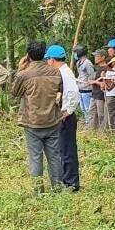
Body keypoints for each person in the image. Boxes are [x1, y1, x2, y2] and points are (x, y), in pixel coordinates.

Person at [10, 41, 64, 192]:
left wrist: (20, 69)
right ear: (44, 54)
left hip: (32, 122)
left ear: (28, 55)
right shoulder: (55, 72)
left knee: (35, 157)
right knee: (54, 156)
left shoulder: (23, 75)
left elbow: (14, 93)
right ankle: (58, 188)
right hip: (52, 120)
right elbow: (61, 91)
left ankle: (38, 191)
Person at [47, 45, 81, 191]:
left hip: (66, 117)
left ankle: (72, 182)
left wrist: (66, 112)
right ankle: (67, 179)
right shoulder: (62, 71)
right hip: (64, 115)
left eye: (48, 59)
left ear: (52, 60)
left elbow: (73, 94)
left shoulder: (64, 73)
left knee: (67, 150)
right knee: (63, 149)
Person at [74, 45, 96, 129]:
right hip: (80, 88)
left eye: (75, 52)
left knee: (88, 108)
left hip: (87, 89)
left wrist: (88, 83)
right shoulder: (78, 63)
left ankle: (90, 125)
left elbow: (92, 75)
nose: (74, 54)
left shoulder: (88, 63)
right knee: (83, 108)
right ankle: (87, 123)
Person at [90, 50, 109, 132]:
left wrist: (94, 82)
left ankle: (103, 132)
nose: (95, 58)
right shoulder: (98, 68)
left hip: (101, 95)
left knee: (101, 114)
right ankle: (92, 131)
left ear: (103, 57)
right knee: (92, 112)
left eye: (97, 56)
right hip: (94, 94)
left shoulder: (107, 69)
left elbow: (105, 84)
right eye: (95, 56)